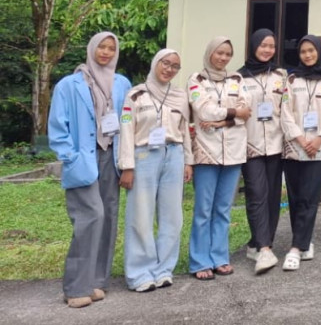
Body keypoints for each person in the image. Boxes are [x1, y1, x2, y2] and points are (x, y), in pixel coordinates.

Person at [48, 31, 131, 308]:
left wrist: (127, 160)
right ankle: (75, 287)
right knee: (90, 216)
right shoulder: (69, 85)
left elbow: (128, 122)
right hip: (83, 157)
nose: (106, 52)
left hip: (112, 155)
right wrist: (69, 157)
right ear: (92, 49)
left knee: (108, 217)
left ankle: (97, 281)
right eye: (101, 47)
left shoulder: (122, 83)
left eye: (111, 48)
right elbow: (58, 128)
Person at [118, 48, 192, 291]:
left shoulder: (180, 96)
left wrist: (188, 161)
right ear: (155, 63)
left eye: (175, 66)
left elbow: (185, 131)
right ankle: (140, 273)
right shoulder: (136, 94)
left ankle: (163, 269)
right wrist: (127, 166)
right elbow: (126, 129)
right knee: (140, 214)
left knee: (172, 216)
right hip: (144, 156)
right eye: (165, 63)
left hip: (174, 154)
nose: (169, 69)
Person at [188, 36, 250, 280]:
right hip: (206, 152)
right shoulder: (196, 80)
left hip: (234, 153)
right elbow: (203, 110)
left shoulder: (237, 79)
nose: (223, 58)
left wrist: (223, 120)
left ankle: (220, 257)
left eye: (227, 54)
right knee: (204, 210)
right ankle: (200, 261)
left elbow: (248, 111)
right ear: (210, 53)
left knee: (223, 209)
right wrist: (235, 112)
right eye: (219, 53)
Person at [280, 35, 321, 270]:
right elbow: (285, 111)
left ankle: (295, 248)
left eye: (311, 51)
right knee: (295, 199)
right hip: (294, 146)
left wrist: (318, 138)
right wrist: (299, 137)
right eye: (303, 51)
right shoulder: (291, 79)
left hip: (318, 147)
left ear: (318, 52)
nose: (307, 55)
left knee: (309, 197)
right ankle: (304, 241)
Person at [239, 29, 287, 275]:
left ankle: (258, 243)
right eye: (263, 45)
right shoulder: (239, 78)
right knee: (256, 193)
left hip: (276, 143)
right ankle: (265, 248)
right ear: (254, 46)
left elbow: (286, 109)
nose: (268, 50)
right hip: (251, 144)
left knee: (272, 197)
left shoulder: (280, 75)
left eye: (271, 45)